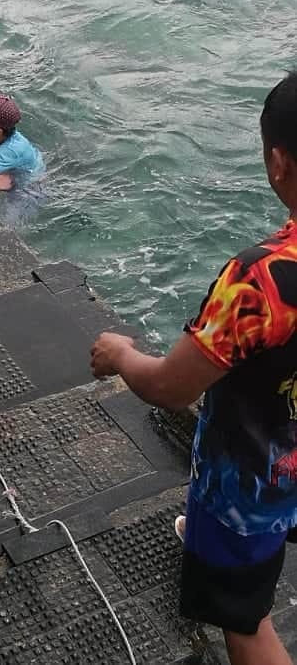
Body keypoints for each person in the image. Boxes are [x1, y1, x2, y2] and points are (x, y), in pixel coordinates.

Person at [90, 72, 297, 665]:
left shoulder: (259, 281)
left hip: (253, 485)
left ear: (278, 161)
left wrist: (122, 355)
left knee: (244, 621)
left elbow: (170, 386)